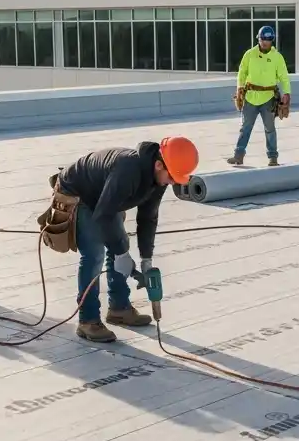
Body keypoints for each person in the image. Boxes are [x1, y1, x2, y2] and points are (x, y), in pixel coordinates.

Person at [56, 136, 199, 343]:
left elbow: (148, 217)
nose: (172, 182)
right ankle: (88, 320)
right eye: (172, 177)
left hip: (106, 197)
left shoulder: (159, 177)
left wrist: (146, 259)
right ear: (158, 164)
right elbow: (103, 215)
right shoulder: (128, 171)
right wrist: (121, 255)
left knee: (120, 242)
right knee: (94, 254)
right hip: (79, 192)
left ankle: (119, 308)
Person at [228, 25, 290, 166]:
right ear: (258, 39)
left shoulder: (277, 57)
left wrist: (287, 93)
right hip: (250, 97)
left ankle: (273, 157)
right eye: (263, 39)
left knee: (270, 129)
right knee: (245, 127)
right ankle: (238, 156)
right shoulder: (249, 54)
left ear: (272, 40)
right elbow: (242, 72)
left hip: (268, 98)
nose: (265, 42)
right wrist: (240, 88)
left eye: (268, 40)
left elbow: (284, 77)